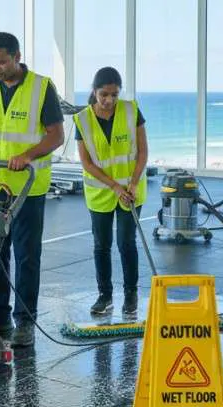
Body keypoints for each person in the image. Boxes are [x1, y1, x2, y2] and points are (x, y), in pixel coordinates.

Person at [0, 31, 64, 347]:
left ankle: (25, 322)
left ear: (17, 56)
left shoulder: (41, 87)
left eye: (2, 62)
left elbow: (56, 135)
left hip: (27, 188)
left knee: (26, 255)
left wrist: (28, 155)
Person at [73, 67, 148, 317]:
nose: (109, 101)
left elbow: (143, 152)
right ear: (94, 91)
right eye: (104, 94)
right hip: (101, 192)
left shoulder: (131, 110)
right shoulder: (82, 119)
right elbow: (87, 163)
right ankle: (104, 296)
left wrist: (133, 183)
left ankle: (130, 295)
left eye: (115, 95)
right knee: (101, 245)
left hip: (131, 190)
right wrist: (115, 186)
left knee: (126, 243)